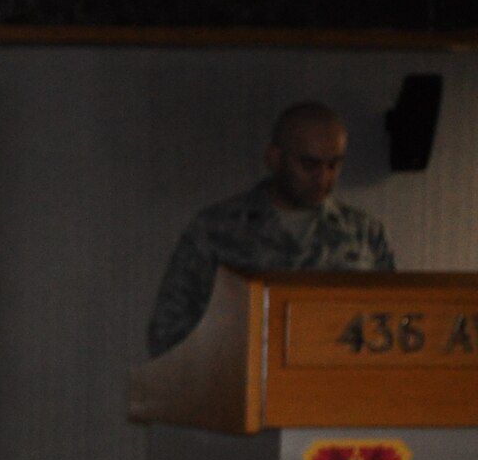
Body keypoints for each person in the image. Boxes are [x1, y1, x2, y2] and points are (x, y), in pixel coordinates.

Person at [146, 102, 396, 356]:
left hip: (338, 386)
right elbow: (168, 332)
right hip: (244, 387)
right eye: (309, 165)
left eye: (333, 165)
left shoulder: (364, 234)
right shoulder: (216, 229)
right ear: (275, 158)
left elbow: (390, 328)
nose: (323, 178)